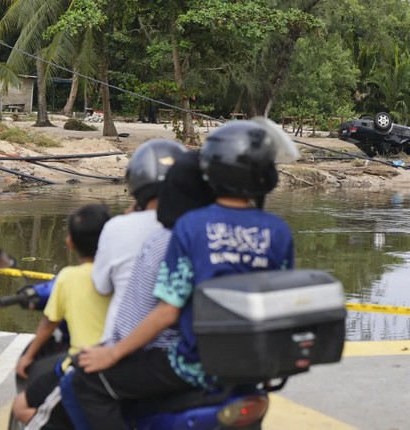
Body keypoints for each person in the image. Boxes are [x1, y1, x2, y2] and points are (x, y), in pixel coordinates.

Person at [70, 119, 297, 429]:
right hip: (252, 365)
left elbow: (167, 312)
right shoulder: (279, 231)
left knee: (90, 383)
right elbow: (279, 303)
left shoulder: (191, 226)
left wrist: (112, 354)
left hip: (193, 364)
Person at [59, 150, 217, 430]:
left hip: (155, 352)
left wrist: (114, 351)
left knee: (79, 381)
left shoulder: (159, 237)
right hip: (211, 351)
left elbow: (161, 311)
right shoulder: (212, 230)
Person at [11, 203, 111, 426]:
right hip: (123, 365)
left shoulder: (67, 277)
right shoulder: (121, 272)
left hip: (81, 368)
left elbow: (50, 321)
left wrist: (28, 357)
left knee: (20, 406)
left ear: (70, 242)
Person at [92, 139, 187, 343]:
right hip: (183, 349)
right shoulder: (195, 228)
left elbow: (101, 287)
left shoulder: (117, 227)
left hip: (120, 346)